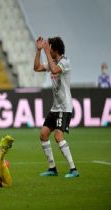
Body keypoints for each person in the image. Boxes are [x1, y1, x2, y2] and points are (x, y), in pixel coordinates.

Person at [33, 36, 79, 178]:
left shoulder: (65, 62)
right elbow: (37, 68)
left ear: (55, 49)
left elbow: (54, 70)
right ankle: (52, 168)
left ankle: (73, 169)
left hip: (64, 108)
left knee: (58, 136)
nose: (49, 50)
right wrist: (39, 50)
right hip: (55, 108)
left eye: (50, 47)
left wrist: (46, 52)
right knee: (44, 134)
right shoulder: (53, 60)